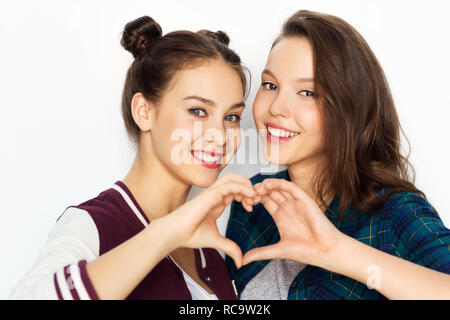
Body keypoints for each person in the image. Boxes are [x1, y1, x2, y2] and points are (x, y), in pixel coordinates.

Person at [10, 15, 257, 300]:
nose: (220, 135)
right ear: (144, 111)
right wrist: (164, 235)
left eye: (231, 117)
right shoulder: (91, 225)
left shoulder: (208, 249)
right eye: (198, 111)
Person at [226, 10, 450, 300]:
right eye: (270, 85)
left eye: (308, 93)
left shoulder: (393, 213)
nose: (277, 107)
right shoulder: (252, 205)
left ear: (348, 109)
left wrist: (335, 250)